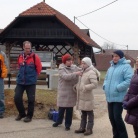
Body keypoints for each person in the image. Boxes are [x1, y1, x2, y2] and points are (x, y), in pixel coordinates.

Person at [103, 50, 133, 138]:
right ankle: (116, 136)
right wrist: (105, 86)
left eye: (116, 56)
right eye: (113, 56)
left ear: (121, 57)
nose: (114, 58)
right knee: (112, 118)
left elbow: (129, 80)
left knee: (117, 118)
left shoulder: (126, 67)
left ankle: (123, 136)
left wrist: (118, 87)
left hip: (119, 97)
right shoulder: (111, 67)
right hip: (109, 97)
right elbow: (106, 78)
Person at [52, 53, 82, 130]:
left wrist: (86, 67)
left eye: (71, 60)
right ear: (64, 61)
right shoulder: (61, 68)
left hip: (71, 92)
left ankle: (68, 125)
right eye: (68, 60)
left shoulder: (74, 67)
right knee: (61, 108)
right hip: (63, 92)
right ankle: (59, 121)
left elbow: (82, 69)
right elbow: (66, 77)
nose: (70, 62)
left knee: (69, 110)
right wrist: (76, 74)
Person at [14, 41, 42, 122]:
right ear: (23, 47)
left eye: (29, 48)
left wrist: (34, 77)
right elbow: (19, 66)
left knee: (31, 100)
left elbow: (39, 68)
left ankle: (29, 116)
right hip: (20, 82)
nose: (28, 50)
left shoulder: (35, 57)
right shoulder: (20, 56)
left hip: (31, 82)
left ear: (31, 48)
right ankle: (22, 113)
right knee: (17, 98)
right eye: (26, 48)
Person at [74, 57, 98, 136]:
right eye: (82, 63)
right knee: (83, 113)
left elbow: (95, 84)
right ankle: (82, 128)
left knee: (90, 113)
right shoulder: (82, 72)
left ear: (88, 64)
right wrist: (77, 86)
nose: (82, 65)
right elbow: (81, 82)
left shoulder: (91, 72)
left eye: (84, 63)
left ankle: (89, 129)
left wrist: (85, 87)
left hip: (88, 97)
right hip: (82, 96)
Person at [123, 57, 138, 138]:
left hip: (134, 106)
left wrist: (129, 103)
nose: (137, 63)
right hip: (134, 109)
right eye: (137, 61)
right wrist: (125, 100)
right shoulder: (135, 74)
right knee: (136, 132)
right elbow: (129, 90)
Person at [0, 47, 8, 118]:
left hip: (0, 78)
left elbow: (5, 65)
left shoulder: (2, 54)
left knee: (0, 95)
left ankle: (1, 111)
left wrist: (3, 74)